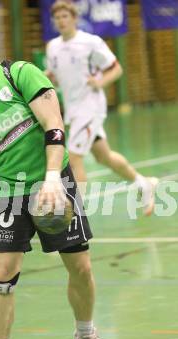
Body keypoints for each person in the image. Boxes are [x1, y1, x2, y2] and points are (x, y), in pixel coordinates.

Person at [0, 23, 119, 339]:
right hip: (8, 193)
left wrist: (54, 177)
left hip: (51, 181)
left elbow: (54, 126)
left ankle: (85, 336)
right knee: (2, 274)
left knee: (81, 266)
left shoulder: (19, 74)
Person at [45, 0, 158, 214]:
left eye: (65, 17)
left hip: (91, 107)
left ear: (74, 18)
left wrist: (100, 82)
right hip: (72, 109)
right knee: (103, 156)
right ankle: (144, 183)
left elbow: (116, 69)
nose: (61, 21)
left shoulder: (91, 42)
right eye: (57, 18)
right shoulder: (53, 47)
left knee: (74, 156)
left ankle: (76, 211)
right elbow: (54, 76)